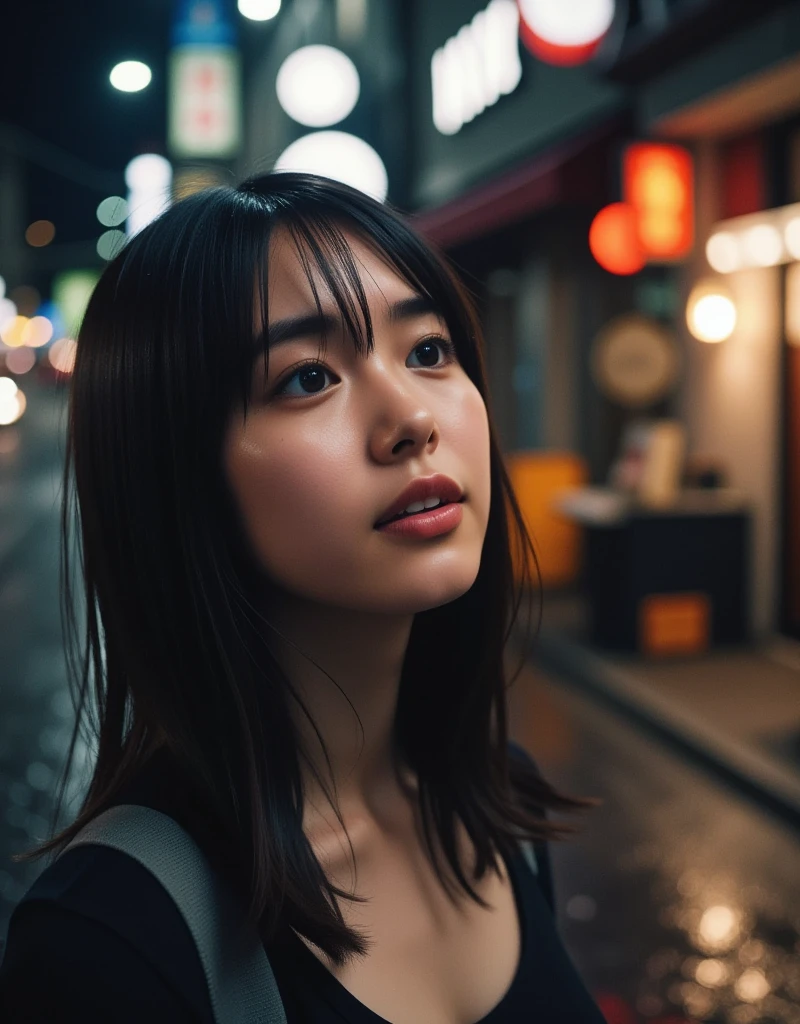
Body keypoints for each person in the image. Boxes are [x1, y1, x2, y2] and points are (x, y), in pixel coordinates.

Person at [0, 172, 605, 1022]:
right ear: (177, 472)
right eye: (308, 376)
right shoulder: (109, 944)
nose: (411, 418)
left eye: (428, 350)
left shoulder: (501, 804)